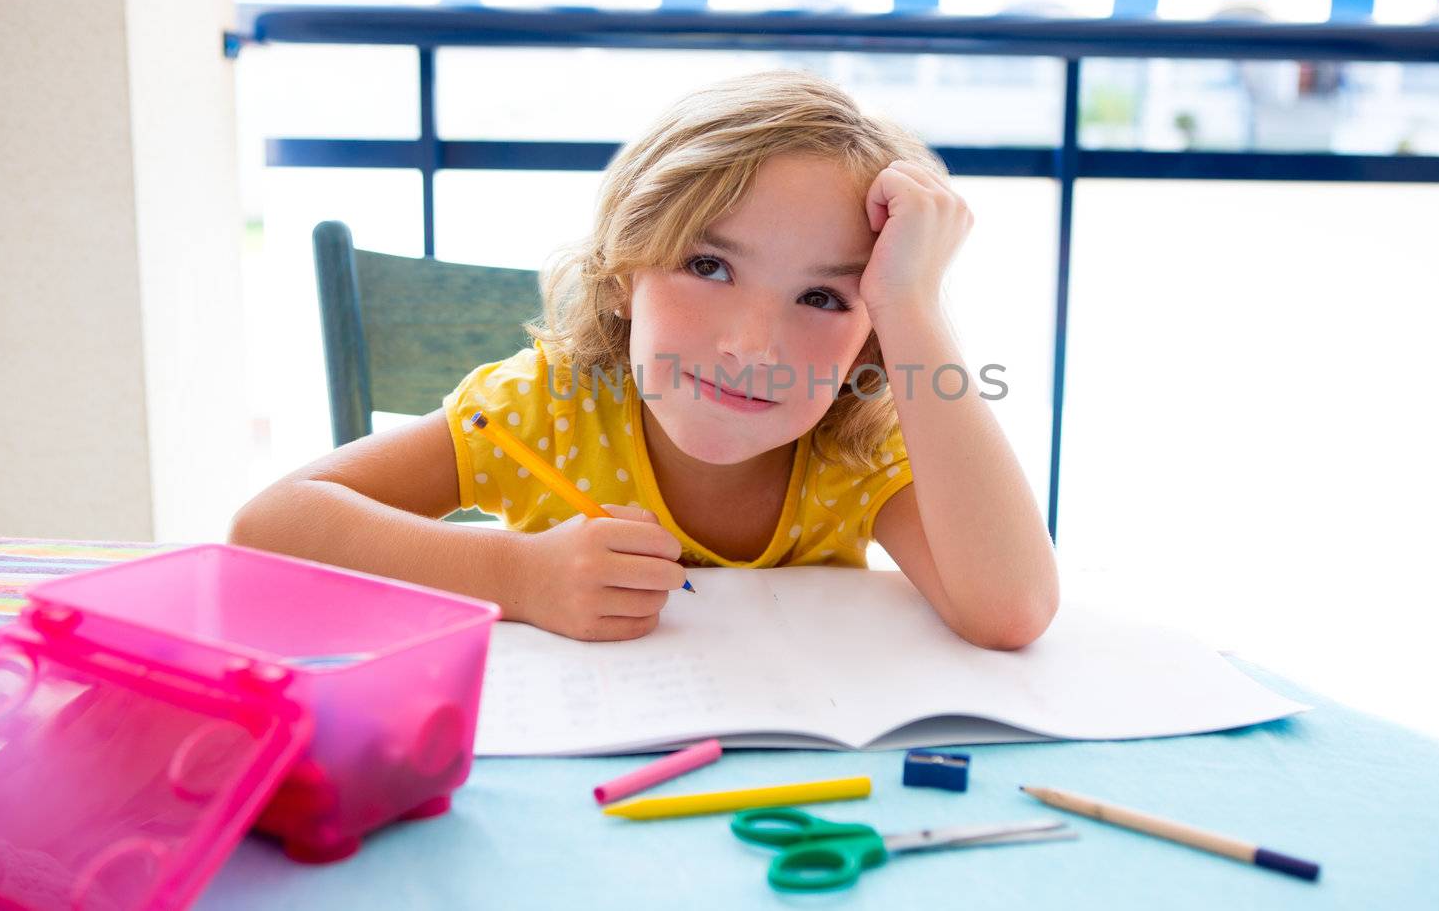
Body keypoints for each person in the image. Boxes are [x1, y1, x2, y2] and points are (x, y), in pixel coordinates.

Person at [230, 71, 1058, 649]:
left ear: (866, 343)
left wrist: (910, 302)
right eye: (708, 267)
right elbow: (267, 529)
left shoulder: (854, 448)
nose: (750, 347)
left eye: (823, 298)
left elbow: (1011, 608)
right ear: (625, 272)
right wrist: (515, 574)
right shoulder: (546, 408)